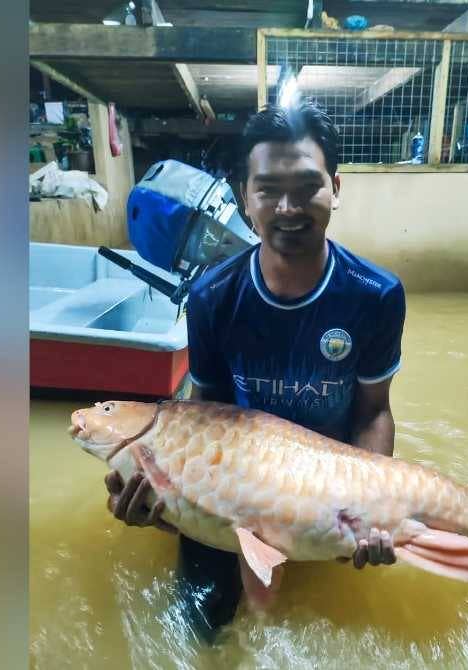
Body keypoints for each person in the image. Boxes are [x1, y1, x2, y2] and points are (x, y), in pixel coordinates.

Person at [104, 101, 407, 642]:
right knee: (200, 630)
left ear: (335, 188)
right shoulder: (212, 297)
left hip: (324, 486)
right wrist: (172, 504)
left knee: (339, 631)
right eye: (268, 190)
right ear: (245, 198)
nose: (288, 208)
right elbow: (204, 417)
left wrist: (373, 505)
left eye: (307, 186)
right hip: (236, 485)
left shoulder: (375, 295)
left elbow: (373, 413)